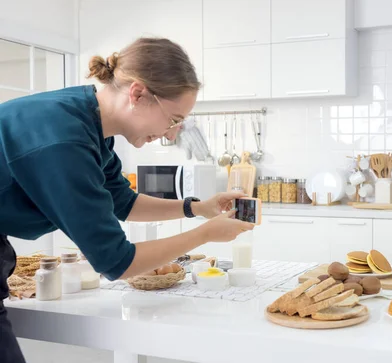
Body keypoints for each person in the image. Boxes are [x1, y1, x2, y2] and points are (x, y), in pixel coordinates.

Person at [0, 37, 254, 363]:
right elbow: (116, 261)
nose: (172, 133)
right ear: (137, 94)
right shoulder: (65, 140)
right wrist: (206, 234)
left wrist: (197, 209)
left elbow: (123, 202)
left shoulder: (90, 123)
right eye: (173, 119)